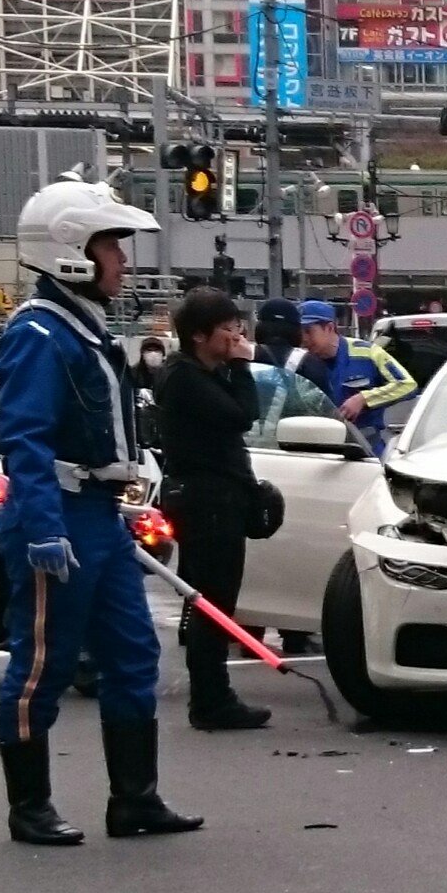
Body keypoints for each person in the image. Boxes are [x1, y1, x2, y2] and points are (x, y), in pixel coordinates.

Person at [0, 179, 201, 847]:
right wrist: (45, 525)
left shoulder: (81, 326)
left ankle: (134, 799)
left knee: (134, 653)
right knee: (43, 663)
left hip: (100, 512)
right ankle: (30, 807)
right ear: (72, 250)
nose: (123, 259)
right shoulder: (39, 334)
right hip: (60, 511)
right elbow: (23, 437)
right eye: (112, 244)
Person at [153, 289, 272, 733]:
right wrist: (242, 365)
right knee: (213, 602)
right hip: (206, 500)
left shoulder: (197, 372)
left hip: (212, 496)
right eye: (227, 329)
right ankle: (212, 699)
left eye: (238, 327)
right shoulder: (184, 377)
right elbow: (242, 415)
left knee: (213, 599)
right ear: (199, 335)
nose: (236, 336)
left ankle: (212, 695)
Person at [297, 301, 415, 452]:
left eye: (308, 331)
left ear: (329, 328)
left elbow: (406, 384)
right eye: (300, 332)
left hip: (367, 448)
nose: (304, 339)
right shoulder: (301, 362)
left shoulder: (367, 353)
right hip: (321, 448)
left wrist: (363, 399)